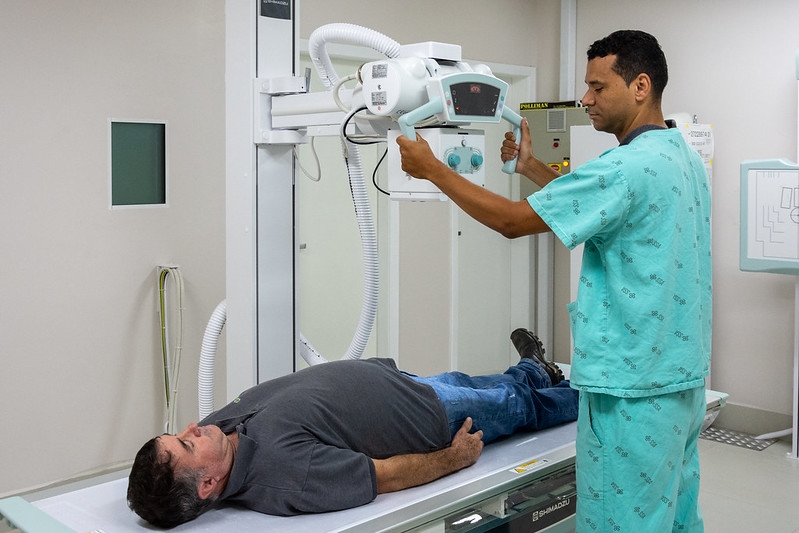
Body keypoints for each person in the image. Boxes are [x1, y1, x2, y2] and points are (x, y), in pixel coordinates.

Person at [397, 30, 712, 532]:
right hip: (680, 382)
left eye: (597, 87)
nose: (585, 99)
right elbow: (595, 203)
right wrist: (530, 167)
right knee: (673, 517)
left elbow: (511, 222)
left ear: (640, 86)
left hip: (628, 390)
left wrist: (434, 169)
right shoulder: (681, 157)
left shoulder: (624, 167)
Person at [127, 330, 578, 528]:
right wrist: (453, 458)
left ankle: (533, 368)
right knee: (520, 407)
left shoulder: (218, 434)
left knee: (479, 384)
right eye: (187, 442)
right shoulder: (285, 475)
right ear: (207, 484)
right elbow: (381, 476)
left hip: (408, 387)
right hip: (431, 420)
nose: (195, 427)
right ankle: (596, 392)